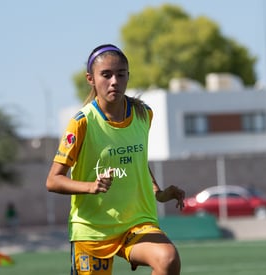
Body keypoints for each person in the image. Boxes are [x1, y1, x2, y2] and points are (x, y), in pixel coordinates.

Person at [46, 44, 186, 275]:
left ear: (128, 77)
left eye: (121, 74)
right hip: (93, 231)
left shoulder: (143, 114)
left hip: (136, 223)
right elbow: (53, 180)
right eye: (106, 75)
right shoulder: (82, 122)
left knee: (168, 259)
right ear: (90, 79)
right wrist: (92, 186)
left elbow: (136, 161)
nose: (114, 81)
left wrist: (159, 193)